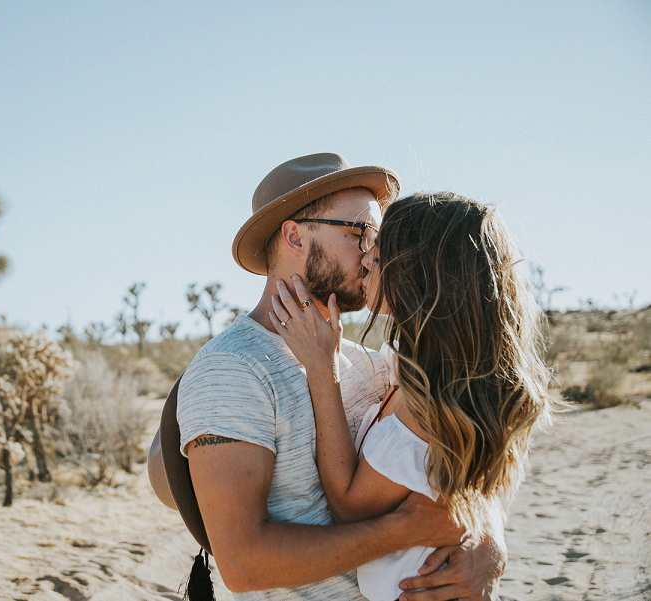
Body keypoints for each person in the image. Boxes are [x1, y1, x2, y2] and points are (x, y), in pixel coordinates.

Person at [149, 153, 507, 601]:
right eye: (361, 234)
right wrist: (400, 530)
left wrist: (488, 543)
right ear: (295, 235)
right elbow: (243, 562)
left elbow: (445, 467)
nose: (374, 253)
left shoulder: (369, 365)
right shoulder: (234, 369)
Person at [269, 192, 552, 601]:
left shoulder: (426, 403)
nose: (365, 259)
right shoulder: (416, 372)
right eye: (362, 240)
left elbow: (349, 508)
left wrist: (321, 368)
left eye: (379, 253)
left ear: (419, 279)